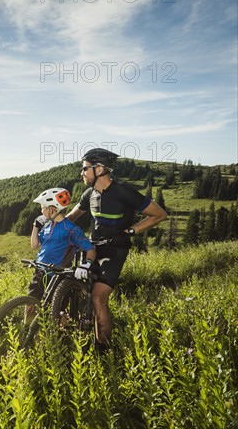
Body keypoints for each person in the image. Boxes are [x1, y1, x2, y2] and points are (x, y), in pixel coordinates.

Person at [66, 148, 167, 353]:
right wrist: (47, 224)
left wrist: (131, 230)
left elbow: (159, 214)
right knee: (74, 286)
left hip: (115, 250)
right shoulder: (89, 194)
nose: (82, 172)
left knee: (98, 298)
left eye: (85, 168)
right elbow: (69, 219)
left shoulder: (123, 192)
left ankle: (104, 352)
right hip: (93, 249)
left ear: (100, 169)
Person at [29, 188, 97, 305]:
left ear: (52, 209)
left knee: (57, 313)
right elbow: (34, 245)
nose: (41, 211)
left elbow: (91, 250)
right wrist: (36, 226)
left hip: (57, 276)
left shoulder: (70, 229)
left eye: (43, 208)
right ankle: (27, 324)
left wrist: (86, 265)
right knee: (29, 305)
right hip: (40, 271)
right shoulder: (47, 226)